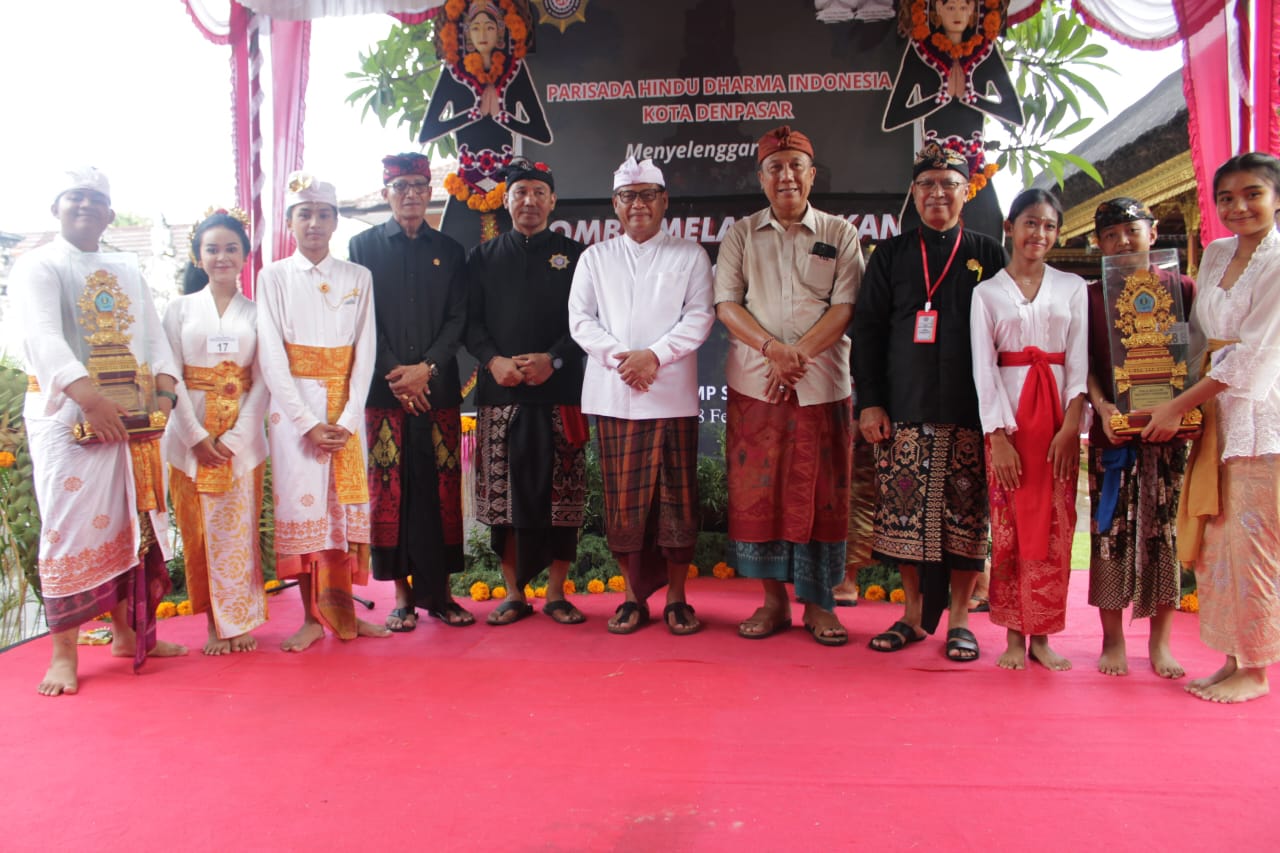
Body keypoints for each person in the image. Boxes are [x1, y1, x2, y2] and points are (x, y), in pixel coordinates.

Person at [11, 167, 187, 695]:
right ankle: (63, 653)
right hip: (66, 417)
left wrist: (162, 396)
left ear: (110, 213)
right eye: (75, 197)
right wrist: (89, 400)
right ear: (56, 208)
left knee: (131, 526)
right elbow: (43, 337)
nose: (86, 206)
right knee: (68, 531)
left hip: (131, 417)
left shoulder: (125, 266)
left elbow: (154, 335)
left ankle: (129, 634)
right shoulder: (36, 264)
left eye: (96, 200)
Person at [852, 141, 1006, 661]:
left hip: (971, 410)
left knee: (965, 520)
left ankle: (960, 620)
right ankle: (913, 616)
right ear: (913, 193)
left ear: (966, 191)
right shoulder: (891, 255)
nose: (937, 193)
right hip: (904, 409)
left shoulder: (988, 253)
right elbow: (867, 333)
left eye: (948, 184)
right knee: (902, 522)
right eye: (926, 185)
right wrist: (870, 403)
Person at [714, 126, 864, 646]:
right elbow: (727, 304)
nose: (786, 176)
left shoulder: (840, 233)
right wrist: (772, 351)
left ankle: (821, 606)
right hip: (758, 385)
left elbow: (845, 308)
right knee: (762, 493)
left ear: (812, 174)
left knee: (824, 492)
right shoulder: (740, 234)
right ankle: (773, 603)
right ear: (761, 178)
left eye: (795, 165)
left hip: (822, 384)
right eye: (775, 167)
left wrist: (797, 354)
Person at [1143, 152, 1280, 704]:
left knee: (1255, 546)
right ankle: (1231, 658)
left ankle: (1258, 668)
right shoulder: (1219, 252)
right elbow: (1197, 337)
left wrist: (1175, 407)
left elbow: (1251, 356)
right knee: (1219, 546)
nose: (1239, 206)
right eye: (1227, 197)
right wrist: (1160, 390)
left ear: (1275, 198)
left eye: (1253, 194)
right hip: (1212, 416)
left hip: (1259, 418)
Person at [568, 157, 714, 635]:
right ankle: (631, 598)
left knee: (676, 500)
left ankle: (676, 598)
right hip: (616, 395)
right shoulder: (595, 258)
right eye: (629, 197)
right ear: (615, 205)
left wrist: (654, 355)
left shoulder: (690, 255)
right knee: (624, 503)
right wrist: (621, 358)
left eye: (648, 195)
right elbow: (581, 321)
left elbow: (699, 317)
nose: (638, 205)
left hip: (670, 394)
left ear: (664, 201)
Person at [257, 170, 390, 651]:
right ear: (290, 222)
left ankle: (346, 613)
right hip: (294, 415)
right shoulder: (271, 277)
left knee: (344, 512)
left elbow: (366, 352)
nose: (314, 223)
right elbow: (271, 356)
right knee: (305, 511)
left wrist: (349, 419)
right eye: (304, 214)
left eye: (323, 214)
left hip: (345, 410)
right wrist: (308, 422)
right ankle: (312, 617)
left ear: (336, 222)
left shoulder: (358, 277)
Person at [349, 153, 472, 632]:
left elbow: (458, 319)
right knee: (392, 495)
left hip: (437, 390)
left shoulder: (451, 250)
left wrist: (427, 369)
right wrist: (397, 374)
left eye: (420, 184)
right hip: (385, 394)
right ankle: (401, 598)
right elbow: (361, 322)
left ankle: (442, 596)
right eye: (401, 186)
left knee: (440, 493)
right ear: (386, 194)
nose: (411, 194)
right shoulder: (362, 247)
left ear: (431, 191)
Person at [466, 158, 589, 626]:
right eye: (520, 193)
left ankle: (557, 593)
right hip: (502, 396)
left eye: (539, 192)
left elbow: (586, 324)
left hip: (560, 395)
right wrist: (494, 361)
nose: (530, 201)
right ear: (506, 200)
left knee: (563, 497)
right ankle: (513, 593)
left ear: (553, 201)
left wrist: (552, 359)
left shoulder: (577, 256)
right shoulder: (482, 257)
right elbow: (470, 324)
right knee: (505, 500)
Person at [970, 189, 1087, 670]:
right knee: (1011, 528)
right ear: (1010, 227)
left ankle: (1043, 634)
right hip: (1010, 427)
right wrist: (997, 436)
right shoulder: (987, 293)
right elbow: (984, 368)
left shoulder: (1073, 286)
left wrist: (1071, 425)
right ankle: (1014, 636)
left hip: (1058, 423)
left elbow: (1079, 359)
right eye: (1030, 223)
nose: (1039, 234)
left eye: (1049, 226)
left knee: (1056, 529)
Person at [1086, 197, 1195, 678]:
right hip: (1115, 434)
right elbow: (1083, 367)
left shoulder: (1183, 288)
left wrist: (1184, 409)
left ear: (1152, 233)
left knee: (1164, 536)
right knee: (1109, 537)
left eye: (1132, 230)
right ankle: (1112, 641)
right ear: (1099, 244)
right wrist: (1104, 407)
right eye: (1111, 235)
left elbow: (1201, 359)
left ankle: (1161, 643)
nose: (1123, 241)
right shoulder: (1090, 296)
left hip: (1169, 434)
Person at [162, 208, 269, 656]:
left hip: (240, 442)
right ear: (198, 256)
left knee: (238, 530)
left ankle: (238, 619)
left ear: (245, 255)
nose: (221, 257)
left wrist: (235, 438)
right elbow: (167, 375)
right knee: (198, 532)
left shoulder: (259, 312)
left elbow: (265, 380)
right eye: (212, 249)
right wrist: (196, 436)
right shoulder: (178, 309)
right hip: (190, 439)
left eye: (230, 248)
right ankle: (212, 621)